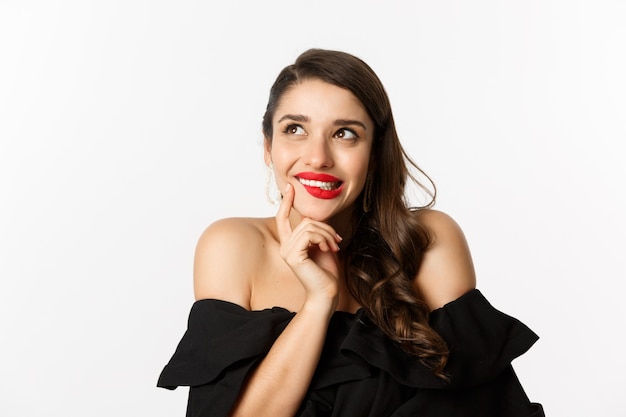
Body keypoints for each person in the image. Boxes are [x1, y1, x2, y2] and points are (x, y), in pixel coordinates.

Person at [157, 48, 544, 417]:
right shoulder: (232, 247)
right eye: (295, 129)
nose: (318, 157)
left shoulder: (429, 241)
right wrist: (319, 301)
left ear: (375, 153)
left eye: (344, 133)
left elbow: (481, 406)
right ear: (268, 147)